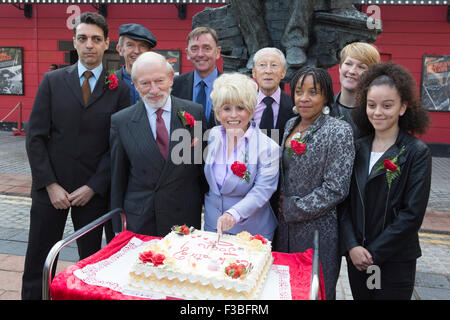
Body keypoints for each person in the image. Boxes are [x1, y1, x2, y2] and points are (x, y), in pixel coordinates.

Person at [22, 12, 130, 300]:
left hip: (92, 194)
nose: (89, 45)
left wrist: (94, 186)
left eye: (96, 39)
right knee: (38, 263)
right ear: (75, 42)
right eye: (83, 39)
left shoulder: (119, 90)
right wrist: (50, 184)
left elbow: (116, 146)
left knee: (92, 267)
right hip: (50, 190)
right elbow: (35, 138)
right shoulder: (52, 81)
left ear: (107, 43)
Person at [339, 62, 431, 300]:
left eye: (387, 105)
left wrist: (373, 253)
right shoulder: (357, 148)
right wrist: (352, 246)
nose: (377, 112)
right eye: (371, 105)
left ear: (403, 107)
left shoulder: (416, 152)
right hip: (357, 258)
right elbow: (344, 203)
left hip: (394, 260)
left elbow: (412, 215)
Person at [275, 66, 355, 300]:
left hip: (318, 230)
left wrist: (293, 207)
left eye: (313, 92)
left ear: (326, 96)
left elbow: (336, 188)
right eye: (299, 91)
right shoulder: (291, 125)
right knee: (285, 289)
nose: (304, 98)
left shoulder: (339, 130)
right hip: (284, 229)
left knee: (314, 290)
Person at [110, 51, 207, 236]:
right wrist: (117, 230)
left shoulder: (195, 112)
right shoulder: (121, 121)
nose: (154, 90)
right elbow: (118, 179)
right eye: (145, 83)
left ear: (171, 78)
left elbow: (200, 169)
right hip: (141, 220)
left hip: (184, 217)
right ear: (135, 85)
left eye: (159, 81)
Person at [204, 72, 280, 240]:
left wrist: (233, 213)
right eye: (226, 108)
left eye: (240, 108)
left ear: (251, 111)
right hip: (212, 227)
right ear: (217, 113)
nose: (233, 115)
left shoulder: (269, 147)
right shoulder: (212, 136)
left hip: (251, 231)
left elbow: (262, 190)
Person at [171, 26, 222, 129]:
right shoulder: (175, 85)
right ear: (188, 53)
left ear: (217, 52)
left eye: (207, 48)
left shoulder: (231, 86)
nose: (200, 54)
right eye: (194, 49)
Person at [330, 42, 380, 139]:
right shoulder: (323, 108)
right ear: (340, 67)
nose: (352, 71)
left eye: (361, 67)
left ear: (372, 74)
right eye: (348, 64)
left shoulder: (377, 114)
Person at [252, 47, 295, 145]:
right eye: (262, 65)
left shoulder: (294, 105)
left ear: (283, 73)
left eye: (274, 65)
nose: (268, 71)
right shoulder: (244, 104)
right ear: (254, 72)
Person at [115, 23, 157, 105]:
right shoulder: (107, 82)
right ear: (120, 49)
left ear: (149, 52)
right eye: (130, 45)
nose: (137, 51)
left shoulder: (160, 83)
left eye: (142, 46)